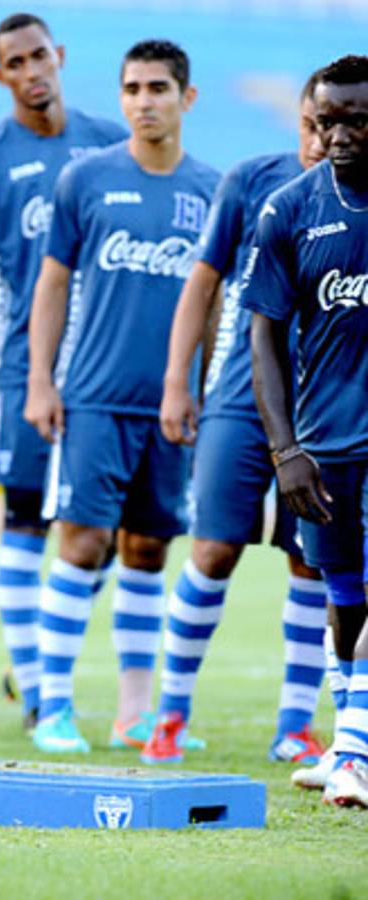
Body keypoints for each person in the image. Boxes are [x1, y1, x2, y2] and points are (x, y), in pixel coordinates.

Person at [24, 39, 219, 753]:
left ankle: (135, 713)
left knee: (147, 550)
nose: (144, 101)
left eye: (158, 88)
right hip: (94, 399)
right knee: (80, 544)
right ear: (120, 97)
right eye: (132, 88)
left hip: (171, 408)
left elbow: (215, 303)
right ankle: (51, 708)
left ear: (185, 98)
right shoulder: (85, 179)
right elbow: (50, 285)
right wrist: (41, 381)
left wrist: (202, 389)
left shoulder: (210, 189)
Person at [143, 73, 329, 765]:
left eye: (335, 124)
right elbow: (201, 283)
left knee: (308, 563)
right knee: (212, 550)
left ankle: (294, 726)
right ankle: (168, 715)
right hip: (236, 399)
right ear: (299, 120)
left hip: (327, 410)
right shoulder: (254, 181)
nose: (320, 138)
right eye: (311, 122)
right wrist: (174, 384)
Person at [0, 12, 126, 726]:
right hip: (26, 368)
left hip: (111, 364)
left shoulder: (111, 143)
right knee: (23, 518)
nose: (31, 72)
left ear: (60, 55)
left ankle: (44, 659)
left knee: (103, 532)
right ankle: (34, 681)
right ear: (0, 75)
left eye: (38, 57)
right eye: (14, 63)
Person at [242, 54, 368, 807]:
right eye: (326, 121)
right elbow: (263, 337)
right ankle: (345, 741)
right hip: (323, 442)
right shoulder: (288, 207)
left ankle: (352, 753)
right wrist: (284, 451)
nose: (338, 135)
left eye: (355, 119)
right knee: (344, 595)